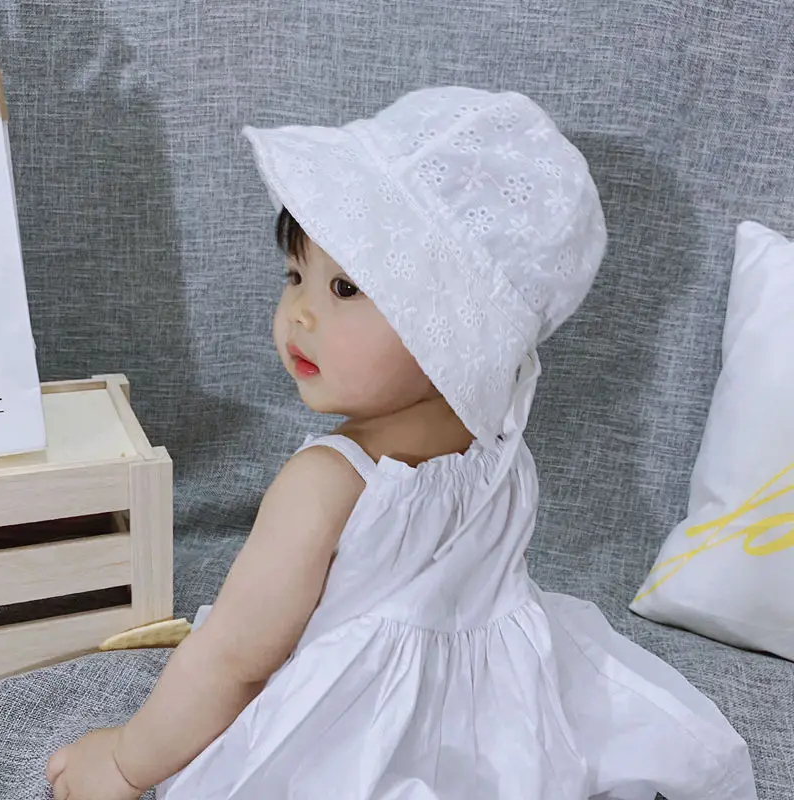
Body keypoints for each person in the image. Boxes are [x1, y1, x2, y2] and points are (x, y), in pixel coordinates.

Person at [46, 86, 757, 800]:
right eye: (295, 275)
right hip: (497, 721)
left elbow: (234, 658)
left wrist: (124, 761)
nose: (300, 314)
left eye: (345, 288)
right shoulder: (501, 450)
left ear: (456, 328)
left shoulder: (324, 481)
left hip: (358, 731)